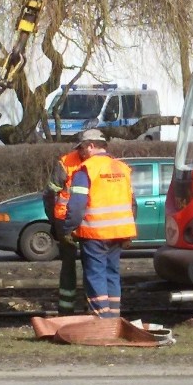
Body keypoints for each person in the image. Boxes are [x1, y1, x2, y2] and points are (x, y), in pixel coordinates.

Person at [62, 129, 137, 318]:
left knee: (95, 275)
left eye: (82, 149)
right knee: (112, 273)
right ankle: (114, 316)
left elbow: (77, 205)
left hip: (95, 233)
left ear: (91, 146)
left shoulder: (86, 170)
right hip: (119, 232)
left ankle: (102, 319)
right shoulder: (122, 168)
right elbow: (132, 203)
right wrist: (127, 231)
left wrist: (68, 227)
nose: (80, 153)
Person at [42, 147, 83, 315]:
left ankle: (68, 310)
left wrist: (56, 223)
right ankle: (83, 310)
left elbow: (50, 194)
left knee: (76, 266)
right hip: (78, 223)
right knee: (90, 267)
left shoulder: (66, 163)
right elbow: (50, 194)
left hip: (70, 222)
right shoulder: (66, 163)